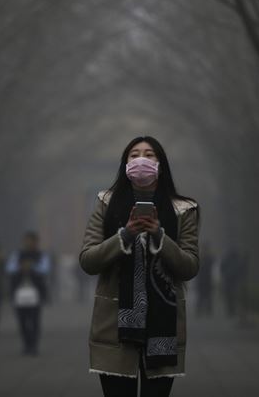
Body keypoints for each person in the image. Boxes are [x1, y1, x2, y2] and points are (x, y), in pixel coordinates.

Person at [79, 136, 200, 397]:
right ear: (125, 164)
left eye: (149, 154)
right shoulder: (105, 203)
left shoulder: (184, 209)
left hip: (163, 330)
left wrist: (159, 236)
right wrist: (125, 235)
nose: (141, 160)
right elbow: (88, 260)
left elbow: (189, 267)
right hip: (114, 329)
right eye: (134, 155)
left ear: (161, 163)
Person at [9, 256, 48, 356]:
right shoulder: (16, 275)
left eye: (28, 263)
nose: (26, 265)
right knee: (22, 324)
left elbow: (42, 287)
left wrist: (44, 298)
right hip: (20, 304)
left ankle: (34, 346)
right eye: (23, 263)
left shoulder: (36, 274)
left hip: (34, 303)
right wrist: (12, 300)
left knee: (34, 324)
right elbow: (11, 289)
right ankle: (26, 345)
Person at [196, 242, 214, 317]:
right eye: (204, 249)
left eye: (206, 249)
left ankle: (208, 311)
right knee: (201, 297)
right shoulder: (200, 258)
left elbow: (212, 268)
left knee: (208, 297)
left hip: (208, 280)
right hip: (201, 281)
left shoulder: (210, 258)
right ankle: (199, 311)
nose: (205, 250)